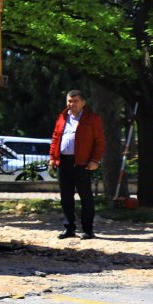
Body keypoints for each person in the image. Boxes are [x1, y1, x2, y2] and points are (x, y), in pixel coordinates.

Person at [47, 90, 106, 239]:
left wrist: (95, 160)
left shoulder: (93, 118)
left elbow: (99, 142)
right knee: (66, 197)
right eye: (69, 101)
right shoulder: (62, 117)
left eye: (75, 101)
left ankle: (88, 230)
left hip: (82, 163)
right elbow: (55, 138)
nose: (72, 104)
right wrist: (52, 157)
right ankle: (69, 228)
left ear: (83, 103)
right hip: (63, 162)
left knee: (85, 197)